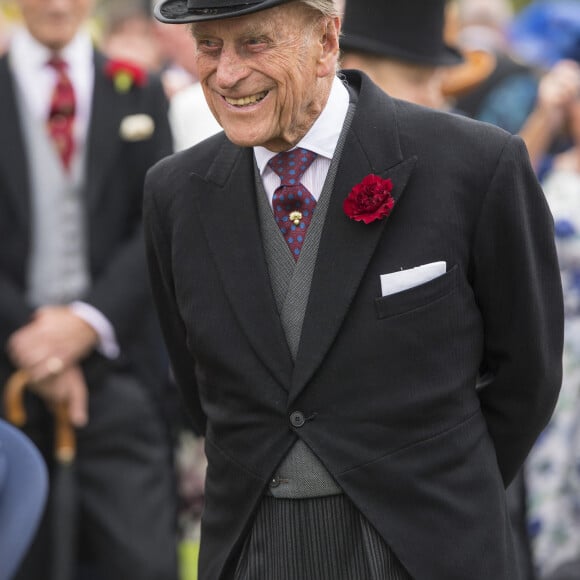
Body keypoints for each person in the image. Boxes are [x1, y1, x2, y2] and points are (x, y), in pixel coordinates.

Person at [145, 0, 564, 579]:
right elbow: (200, 391)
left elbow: (529, 374)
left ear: (326, 38)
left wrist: (443, 484)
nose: (226, 73)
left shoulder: (475, 164)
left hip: (424, 547)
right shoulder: (174, 194)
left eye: (255, 43)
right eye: (209, 46)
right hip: (256, 547)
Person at [0, 0, 179, 578]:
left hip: (118, 367)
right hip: (6, 368)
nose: (56, 5)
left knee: (138, 560)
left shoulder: (138, 91)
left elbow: (158, 223)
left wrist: (83, 325)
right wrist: (35, 339)